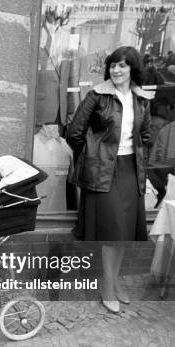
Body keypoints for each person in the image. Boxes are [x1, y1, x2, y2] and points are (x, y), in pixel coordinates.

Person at [66, 46, 153, 314]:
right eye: (113, 65)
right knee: (112, 230)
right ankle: (108, 286)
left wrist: (139, 159)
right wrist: (94, 156)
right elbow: (74, 133)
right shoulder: (97, 95)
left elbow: (147, 137)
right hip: (104, 171)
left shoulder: (141, 99)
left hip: (130, 170)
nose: (116, 70)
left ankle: (115, 281)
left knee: (124, 231)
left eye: (122, 66)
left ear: (132, 69)